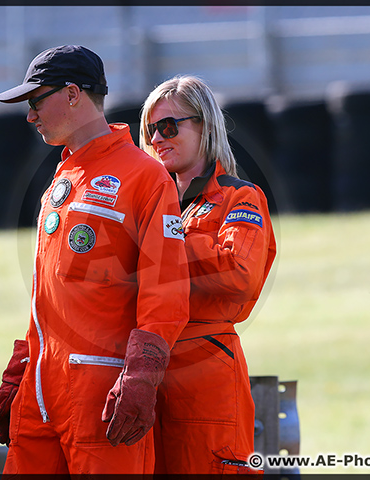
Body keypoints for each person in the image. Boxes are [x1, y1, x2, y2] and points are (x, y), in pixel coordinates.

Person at [0, 45, 190, 475]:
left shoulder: (145, 176)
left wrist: (141, 375)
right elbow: (52, 292)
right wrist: (22, 367)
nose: (30, 114)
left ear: (74, 94)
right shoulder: (62, 175)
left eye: (36, 100)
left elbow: (166, 289)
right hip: (41, 390)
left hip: (103, 394)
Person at [139, 75, 277, 474]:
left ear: (205, 125)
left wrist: (163, 241)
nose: (157, 138)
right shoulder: (144, 206)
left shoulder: (240, 196)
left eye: (168, 125)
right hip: (142, 372)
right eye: (150, 130)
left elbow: (237, 272)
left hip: (206, 378)